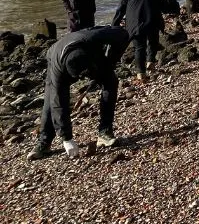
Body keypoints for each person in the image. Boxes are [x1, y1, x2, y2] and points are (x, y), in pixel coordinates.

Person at [27, 25, 130, 160]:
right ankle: (44, 143)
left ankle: (105, 133)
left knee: (110, 82)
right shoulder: (58, 70)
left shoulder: (96, 38)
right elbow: (59, 102)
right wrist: (67, 138)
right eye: (79, 77)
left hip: (90, 53)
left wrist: (111, 59)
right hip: (55, 54)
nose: (84, 79)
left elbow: (123, 34)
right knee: (51, 98)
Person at [112, 0, 166, 82]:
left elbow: (120, 10)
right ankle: (151, 61)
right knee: (153, 41)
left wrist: (114, 26)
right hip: (153, 21)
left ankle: (141, 73)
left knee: (139, 48)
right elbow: (164, 7)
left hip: (135, 24)